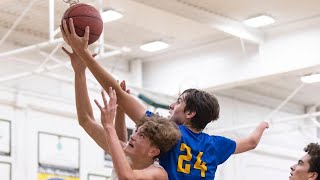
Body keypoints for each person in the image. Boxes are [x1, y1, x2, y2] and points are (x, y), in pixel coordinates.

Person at [61, 18, 269, 179]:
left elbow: (119, 96)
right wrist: (263, 124)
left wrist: (85, 56)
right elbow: (251, 142)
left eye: (178, 102)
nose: (171, 105)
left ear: (190, 113)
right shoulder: (214, 145)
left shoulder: (170, 136)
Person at [62, 46, 181, 180]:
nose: (133, 136)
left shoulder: (158, 173)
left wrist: (108, 125)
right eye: (137, 131)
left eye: (141, 135)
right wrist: (79, 72)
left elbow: (127, 177)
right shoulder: (126, 154)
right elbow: (86, 120)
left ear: (153, 151)